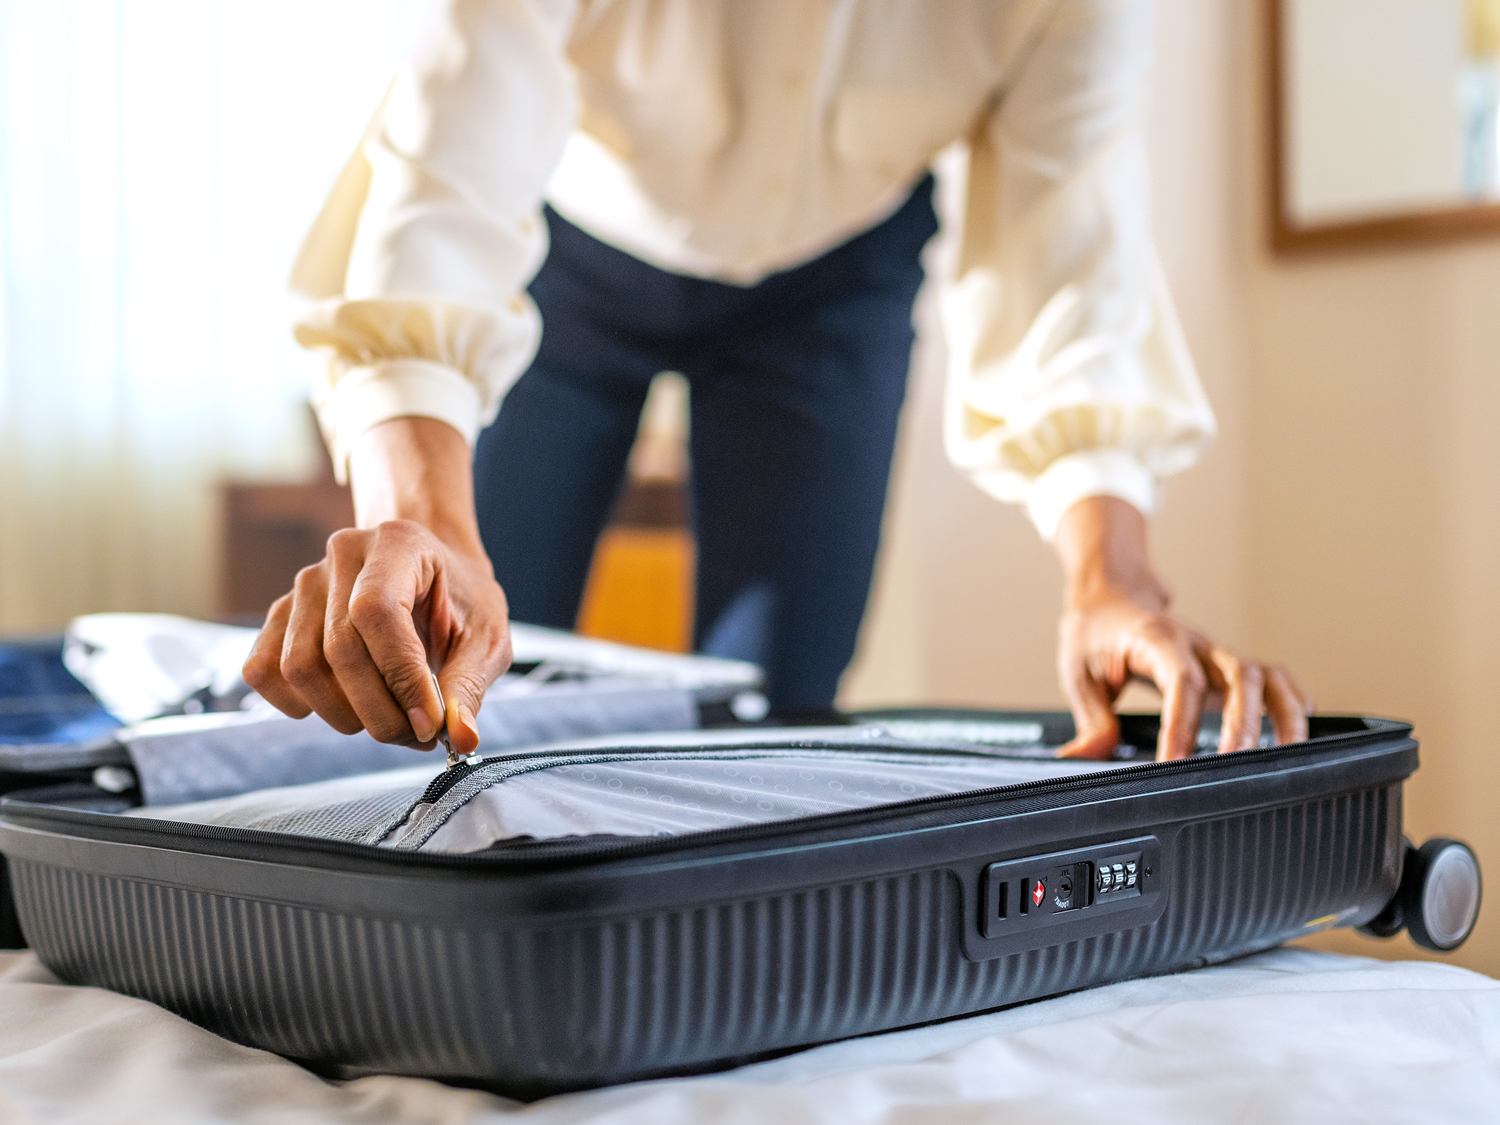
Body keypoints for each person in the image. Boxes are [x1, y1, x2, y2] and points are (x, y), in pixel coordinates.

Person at [244, 0, 1312, 762]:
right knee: (441, 667)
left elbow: (1070, 249)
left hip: (835, 277)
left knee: (777, 718)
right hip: (565, 247)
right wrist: (423, 518)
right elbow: (445, 170)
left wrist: (1110, 578)